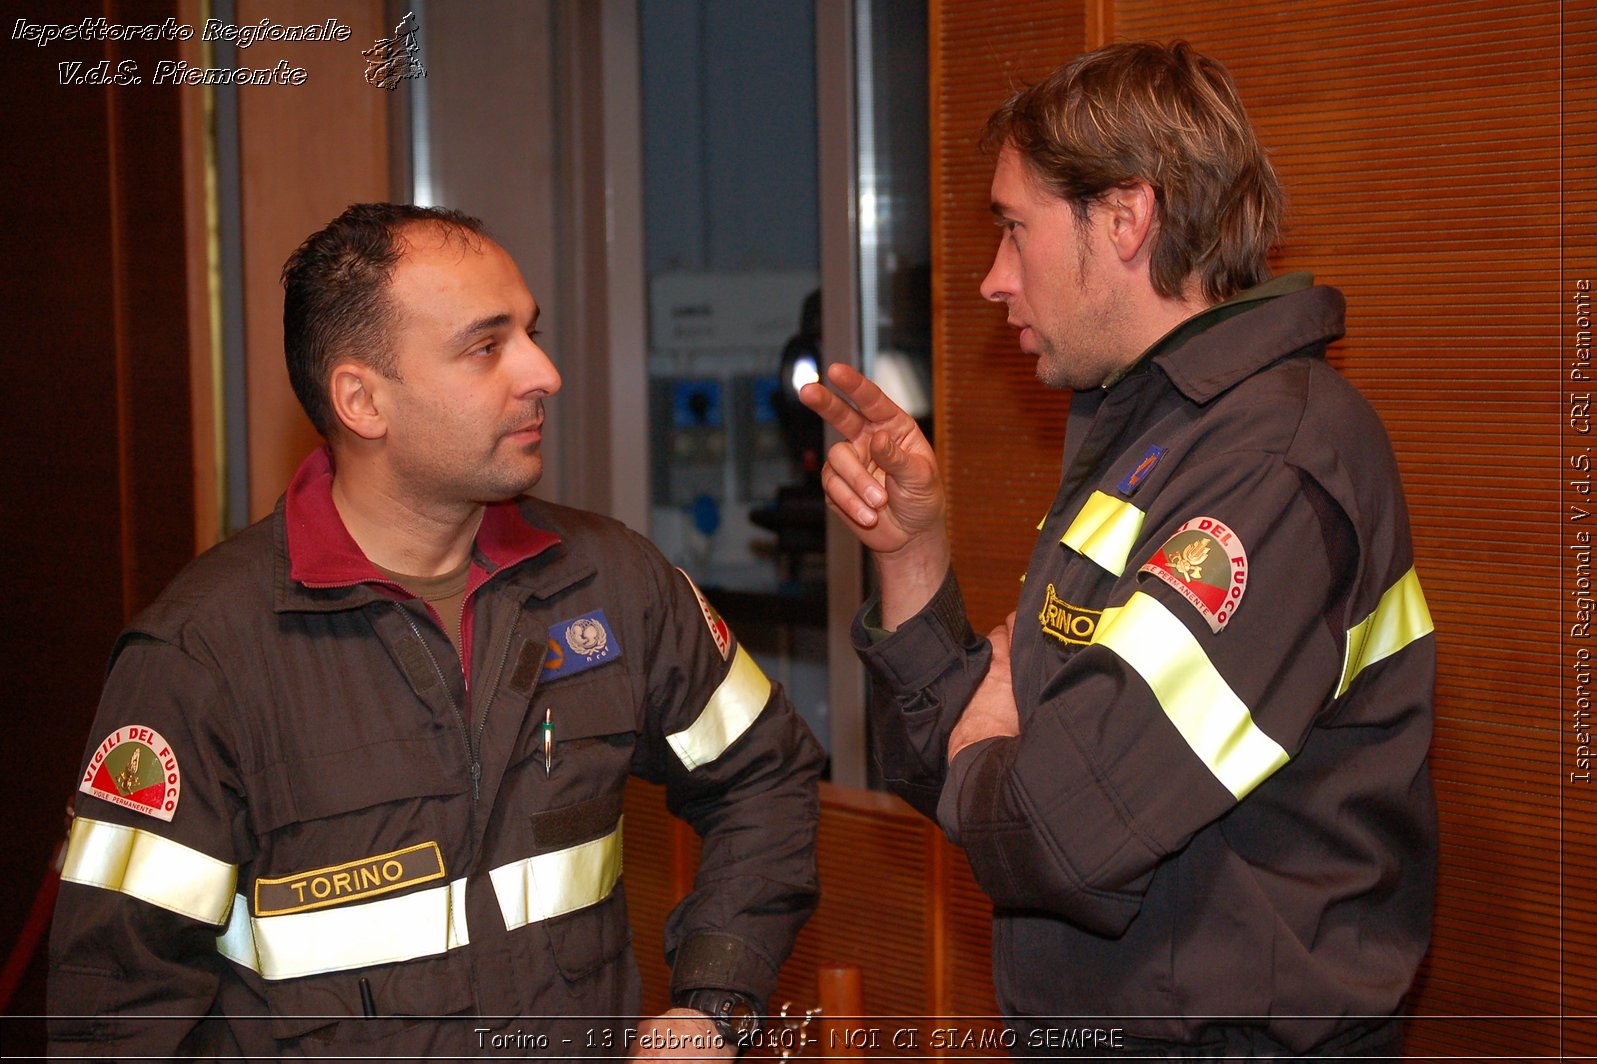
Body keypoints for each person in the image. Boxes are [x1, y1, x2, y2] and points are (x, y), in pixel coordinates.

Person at [49, 203, 824, 1058]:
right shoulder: (204, 657)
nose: (545, 372)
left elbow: (767, 775)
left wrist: (713, 1007)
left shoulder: (610, 583)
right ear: (363, 400)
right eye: (487, 347)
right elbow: (113, 1016)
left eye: (531, 332)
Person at [802, 41, 1435, 1058]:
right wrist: (912, 555)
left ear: (1127, 217)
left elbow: (1055, 831)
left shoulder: (1270, 462)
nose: (990, 279)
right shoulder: (1148, 434)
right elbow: (964, 789)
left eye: (1014, 229)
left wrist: (988, 748)